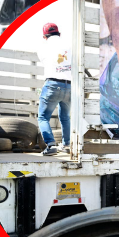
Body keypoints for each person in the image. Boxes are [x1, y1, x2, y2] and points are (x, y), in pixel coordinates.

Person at [37, 22, 73, 156]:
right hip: (69, 85)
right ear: (59, 34)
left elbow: (45, 61)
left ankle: (51, 144)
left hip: (52, 84)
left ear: (44, 37)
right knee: (65, 117)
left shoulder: (43, 47)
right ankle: (67, 144)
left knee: (42, 117)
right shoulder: (69, 46)